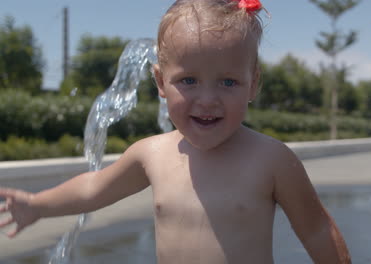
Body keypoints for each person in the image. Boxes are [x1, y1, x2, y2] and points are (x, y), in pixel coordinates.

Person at [0, 0, 351, 263]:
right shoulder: (151, 154)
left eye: (228, 81)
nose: (208, 99)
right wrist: (37, 205)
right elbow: (94, 188)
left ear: (253, 84)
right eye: (188, 81)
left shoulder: (272, 160)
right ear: (160, 82)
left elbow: (317, 229)